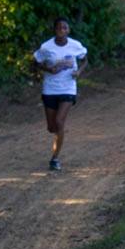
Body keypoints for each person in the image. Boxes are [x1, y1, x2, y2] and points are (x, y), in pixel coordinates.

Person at [33, 17, 87, 171]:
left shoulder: (75, 45)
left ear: (68, 30)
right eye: (59, 28)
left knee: (59, 122)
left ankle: (55, 158)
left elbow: (85, 60)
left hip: (68, 88)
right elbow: (36, 62)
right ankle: (57, 140)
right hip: (50, 89)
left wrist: (79, 72)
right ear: (55, 30)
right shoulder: (46, 47)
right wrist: (49, 69)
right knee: (51, 127)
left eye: (65, 28)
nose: (62, 31)